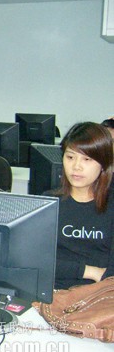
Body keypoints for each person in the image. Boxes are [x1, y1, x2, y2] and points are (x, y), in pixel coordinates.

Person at [47, 122, 113, 289]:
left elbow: (110, 273)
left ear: (103, 164)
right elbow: (35, 261)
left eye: (87, 159)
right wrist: (88, 271)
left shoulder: (111, 206)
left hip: (99, 295)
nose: (76, 166)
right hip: (52, 292)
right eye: (70, 157)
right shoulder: (48, 202)